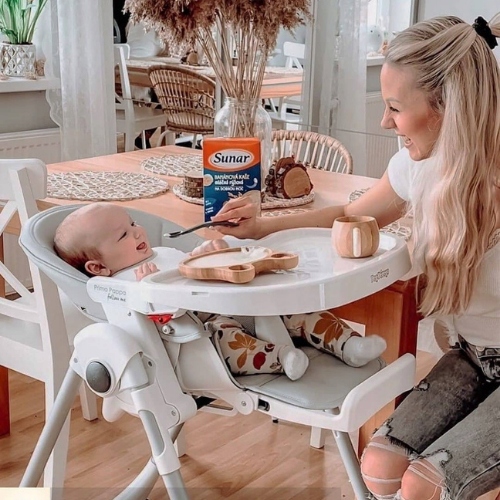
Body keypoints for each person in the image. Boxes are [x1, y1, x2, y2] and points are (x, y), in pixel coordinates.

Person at [210, 13, 500, 500]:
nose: (385, 122)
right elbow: (349, 215)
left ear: (447, 106)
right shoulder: (416, 166)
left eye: (394, 107)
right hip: (472, 355)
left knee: (423, 486)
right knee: (380, 467)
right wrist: (260, 229)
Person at [53, 203, 387, 380]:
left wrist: (207, 253)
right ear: (98, 267)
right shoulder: (121, 285)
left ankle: (348, 344)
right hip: (201, 334)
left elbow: (194, 269)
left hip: (238, 305)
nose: (137, 231)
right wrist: (150, 291)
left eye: (132, 223)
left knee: (298, 310)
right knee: (230, 342)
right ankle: (279, 358)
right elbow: (157, 321)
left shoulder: (161, 253)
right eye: (123, 235)